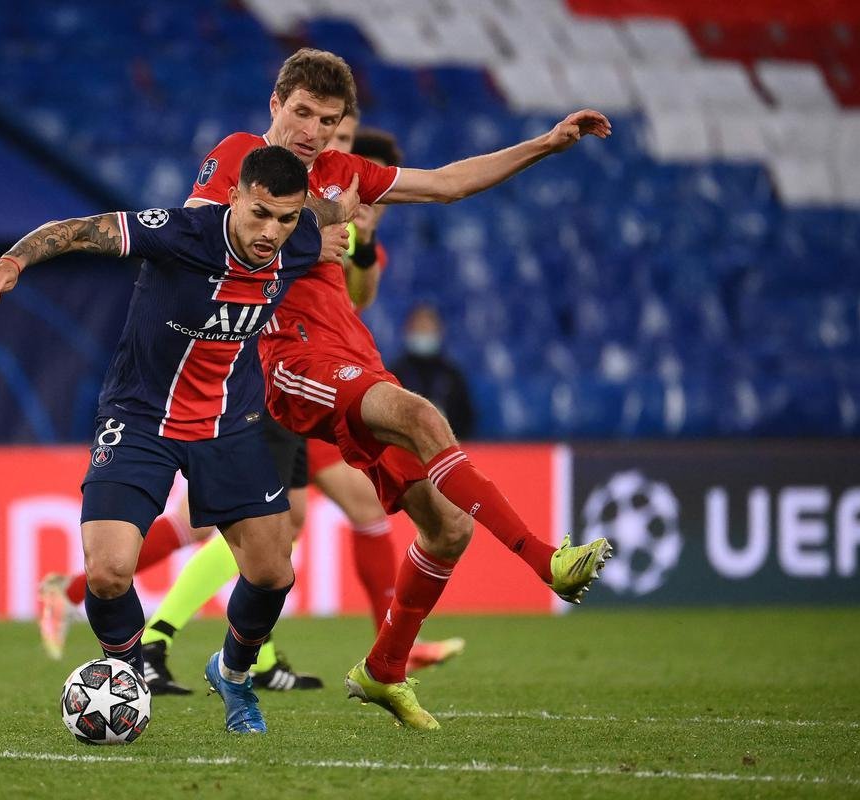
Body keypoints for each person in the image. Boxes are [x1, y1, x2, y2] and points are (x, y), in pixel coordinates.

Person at [186, 48, 614, 730]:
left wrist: (546, 143)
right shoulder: (239, 158)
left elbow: (446, 183)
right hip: (291, 359)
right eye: (301, 113)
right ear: (275, 105)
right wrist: (312, 233)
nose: (313, 131)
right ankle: (545, 559)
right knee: (415, 416)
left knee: (448, 529)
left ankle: (383, 669)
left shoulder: (341, 173)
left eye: (328, 120)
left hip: (356, 358)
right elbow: (197, 244)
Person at [0, 145, 356, 734]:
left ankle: (234, 674)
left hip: (231, 422)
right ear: (234, 197)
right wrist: (14, 262)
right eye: (259, 213)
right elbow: (74, 231)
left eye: (285, 218)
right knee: (107, 572)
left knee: (274, 572)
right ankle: (125, 676)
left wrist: (344, 209)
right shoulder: (181, 232)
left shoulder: (300, 233)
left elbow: (332, 211)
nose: (271, 232)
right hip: (141, 415)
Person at [133, 122, 463, 697]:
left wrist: (356, 238)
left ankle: (249, 654)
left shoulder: (348, 226)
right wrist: (310, 226)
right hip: (267, 370)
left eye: (341, 132)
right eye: (329, 130)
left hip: (315, 372)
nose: (328, 143)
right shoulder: (272, 194)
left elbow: (358, 295)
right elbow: (216, 243)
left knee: (287, 522)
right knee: (242, 522)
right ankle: (159, 633)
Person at [390, 303, 477, 439]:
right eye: (419, 328)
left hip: (450, 446)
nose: (423, 332)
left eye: (427, 328)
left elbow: (466, 418)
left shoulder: (452, 374)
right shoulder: (395, 372)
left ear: (440, 331)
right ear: (408, 330)